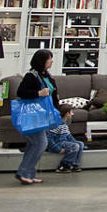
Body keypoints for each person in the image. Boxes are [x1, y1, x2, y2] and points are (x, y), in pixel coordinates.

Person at [15, 49, 59, 185]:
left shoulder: (46, 75)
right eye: (49, 59)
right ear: (42, 61)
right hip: (34, 116)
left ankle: (28, 173)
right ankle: (23, 171)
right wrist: (38, 93)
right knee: (41, 143)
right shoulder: (31, 76)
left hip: (44, 115)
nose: (51, 61)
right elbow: (21, 92)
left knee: (33, 144)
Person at [46, 104, 83, 173]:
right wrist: (58, 149)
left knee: (80, 144)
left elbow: (69, 136)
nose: (72, 114)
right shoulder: (58, 124)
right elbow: (49, 138)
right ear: (67, 114)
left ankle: (74, 164)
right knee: (75, 146)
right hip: (57, 143)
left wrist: (76, 143)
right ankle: (63, 165)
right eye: (71, 112)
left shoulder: (64, 123)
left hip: (63, 142)